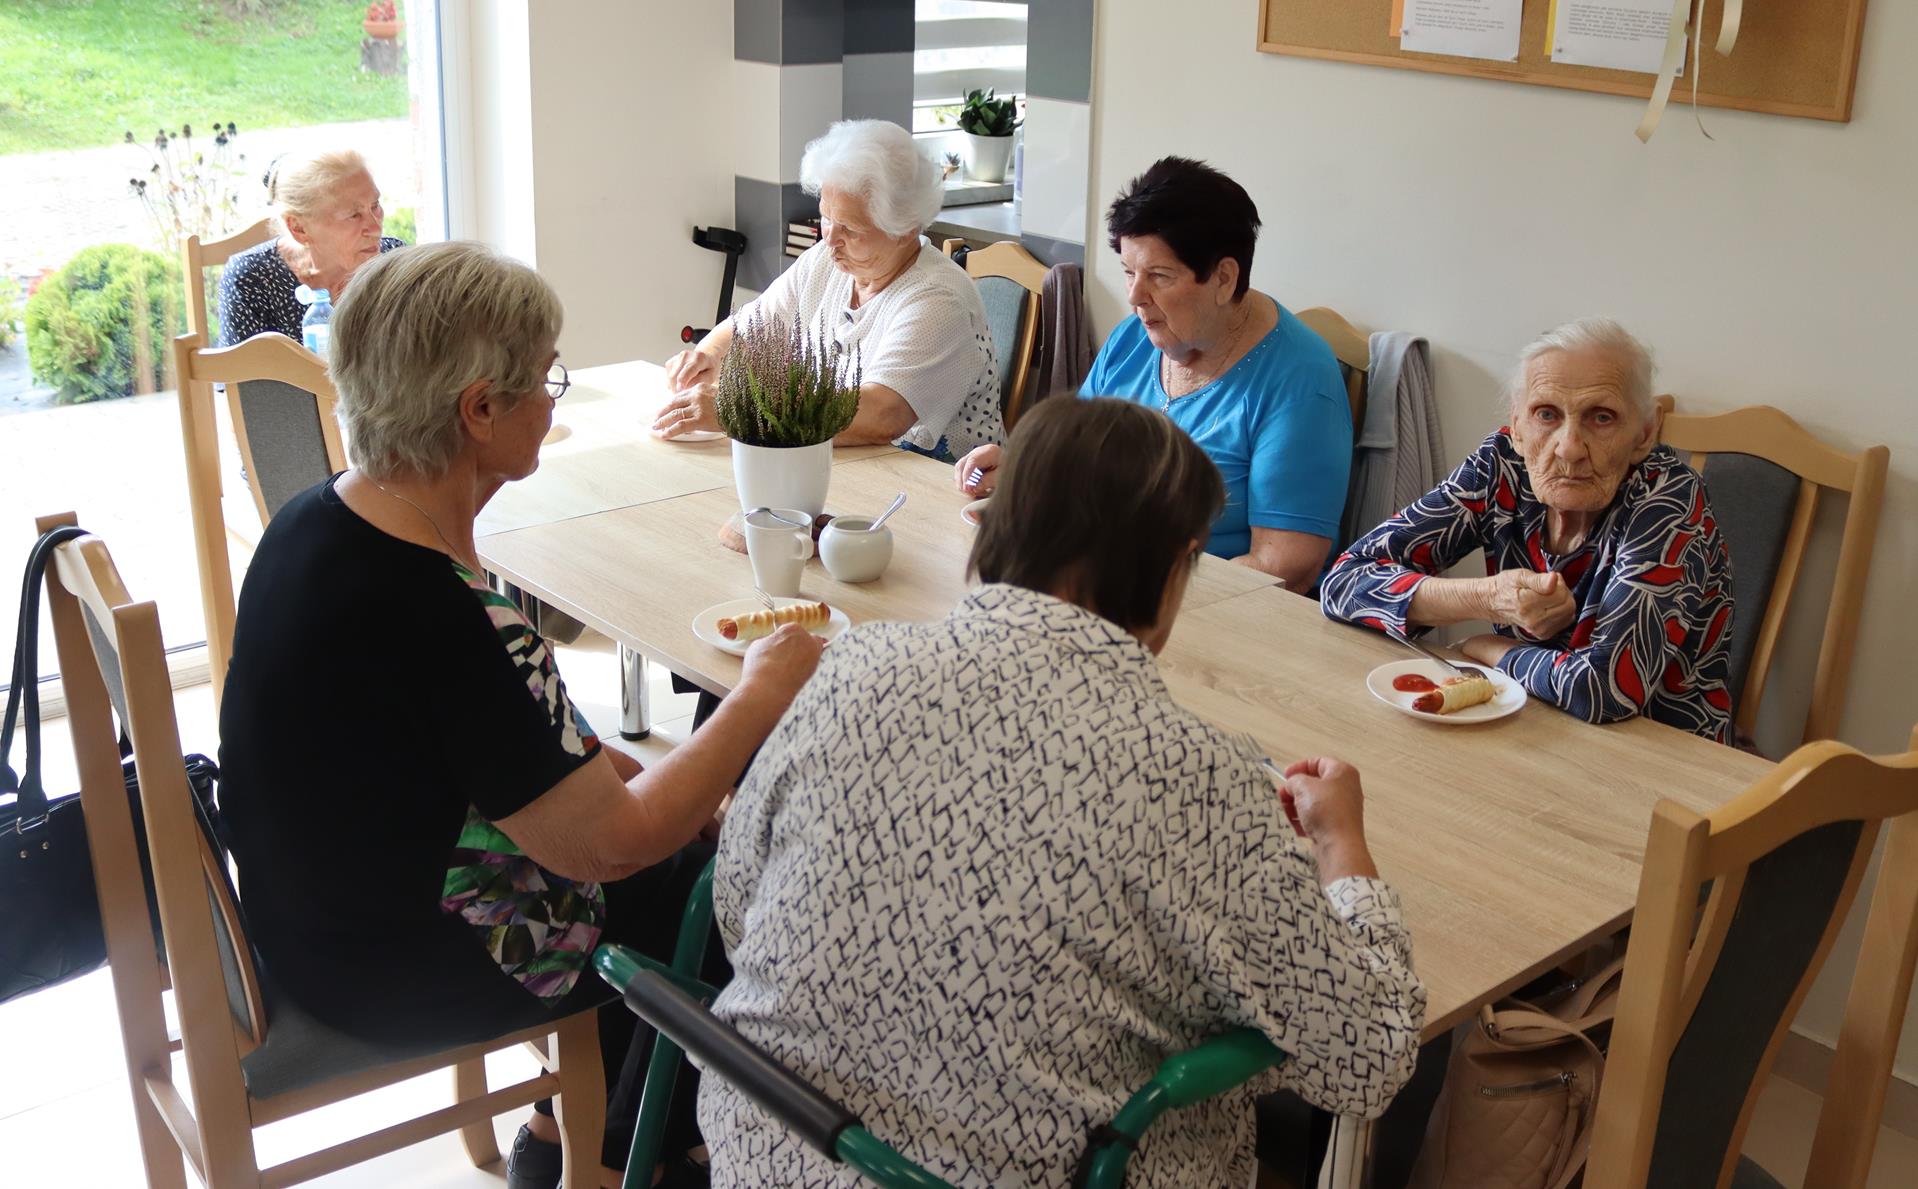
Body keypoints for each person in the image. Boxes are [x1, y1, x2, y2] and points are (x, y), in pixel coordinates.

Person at [216, 241, 824, 1189]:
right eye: (545, 379)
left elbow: (509, 743)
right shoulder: (444, 614)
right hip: (394, 963)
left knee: (678, 857)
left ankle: (559, 1135)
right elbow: (612, 844)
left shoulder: (313, 520)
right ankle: (630, 1157)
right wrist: (760, 692)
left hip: (312, 917)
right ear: (479, 411)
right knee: (718, 895)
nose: (551, 399)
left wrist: (645, 780)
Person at [701, 398, 1425, 1187]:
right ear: (1174, 566)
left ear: (998, 525)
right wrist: (1341, 843)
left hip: (761, 1150)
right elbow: (1370, 1057)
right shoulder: (1197, 777)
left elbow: (737, 903)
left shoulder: (850, 665)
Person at [1322, 318, 1734, 740]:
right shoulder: (1501, 465)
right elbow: (1343, 582)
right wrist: (1487, 598)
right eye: (1546, 414)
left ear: (1644, 433)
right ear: (1517, 426)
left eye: (1602, 417)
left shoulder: (1669, 500)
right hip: (1527, 728)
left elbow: (1602, 691)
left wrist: (1489, 647)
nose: (1569, 448)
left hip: (1661, 753)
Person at [953, 157, 1351, 593]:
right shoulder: (1135, 338)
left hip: (1206, 610)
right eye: (1129, 272)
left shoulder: (1299, 380)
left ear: (1223, 278)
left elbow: (1287, 566)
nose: (1135, 296)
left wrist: (1132, 593)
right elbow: (1074, 459)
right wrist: (1019, 470)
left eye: (1159, 276)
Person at [656, 119, 1004, 462]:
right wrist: (707, 358)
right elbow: (754, 326)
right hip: (848, 466)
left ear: (904, 230)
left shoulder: (938, 298)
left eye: (850, 228)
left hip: (935, 484)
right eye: (826, 217)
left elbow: (881, 414)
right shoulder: (827, 261)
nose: (830, 238)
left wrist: (736, 408)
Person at [216, 148, 406, 346]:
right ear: (298, 228)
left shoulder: (394, 260)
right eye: (353, 215)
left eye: (375, 205)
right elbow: (242, 366)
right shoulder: (252, 279)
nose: (375, 228)